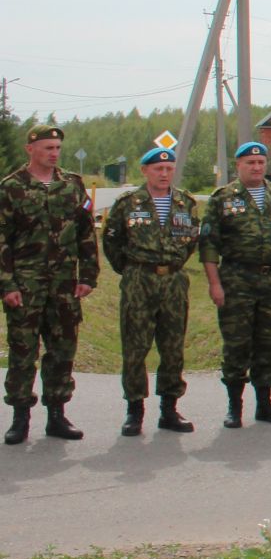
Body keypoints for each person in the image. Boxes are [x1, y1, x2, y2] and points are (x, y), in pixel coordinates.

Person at [1, 124, 98, 444]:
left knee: (62, 350)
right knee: (23, 351)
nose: (54, 153)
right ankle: (20, 418)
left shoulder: (72, 185)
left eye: (57, 148)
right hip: (26, 284)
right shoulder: (11, 188)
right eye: (47, 148)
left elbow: (86, 231)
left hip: (63, 283)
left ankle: (57, 414)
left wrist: (88, 275)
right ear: (31, 150)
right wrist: (7, 284)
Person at [199, 142, 271, 429]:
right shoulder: (222, 198)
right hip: (236, 280)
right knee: (237, 344)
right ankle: (235, 405)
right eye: (250, 163)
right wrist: (214, 284)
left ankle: (265, 403)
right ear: (239, 166)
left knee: (268, 343)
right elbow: (208, 245)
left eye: (260, 162)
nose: (257, 167)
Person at [102, 145, 201, 435]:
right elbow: (112, 242)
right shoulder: (128, 202)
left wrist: (171, 264)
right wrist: (132, 269)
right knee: (135, 347)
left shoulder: (185, 203)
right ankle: (135, 410)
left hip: (173, 281)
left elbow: (191, 241)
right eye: (158, 168)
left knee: (172, 347)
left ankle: (169, 409)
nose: (164, 173)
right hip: (139, 281)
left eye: (169, 168)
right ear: (145, 171)